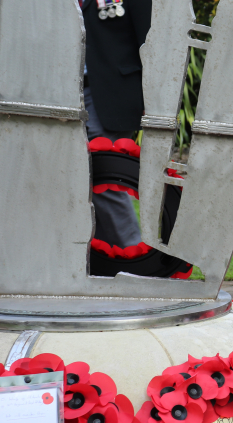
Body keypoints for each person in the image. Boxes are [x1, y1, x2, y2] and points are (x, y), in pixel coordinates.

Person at [82, 0, 152, 248]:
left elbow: (150, 40)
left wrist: (153, 97)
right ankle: (101, 261)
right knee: (78, 178)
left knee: (103, 174)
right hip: (63, 90)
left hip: (113, 94)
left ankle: (133, 255)